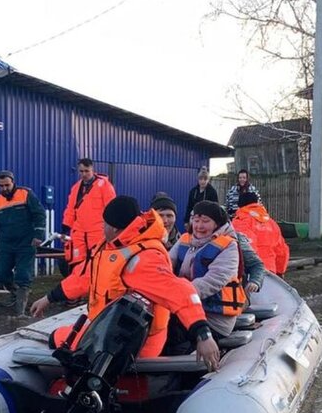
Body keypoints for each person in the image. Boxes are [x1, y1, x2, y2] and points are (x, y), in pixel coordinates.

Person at [30, 196, 221, 370]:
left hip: (134, 339)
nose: (102, 228)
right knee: (56, 337)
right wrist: (49, 298)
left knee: (60, 343)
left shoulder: (142, 258)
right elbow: (84, 277)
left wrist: (202, 334)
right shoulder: (110, 246)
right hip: (104, 329)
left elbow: (181, 291)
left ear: (114, 227)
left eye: (104, 223)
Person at [168, 200, 245, 345]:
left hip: (214, 319)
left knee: (171, 334)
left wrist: (177, 293)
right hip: (183, 306)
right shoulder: (185, 239)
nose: (199, 226)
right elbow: (166, 263)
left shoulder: (229, 246)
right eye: (196, 220)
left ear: (217, 224)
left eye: (205, 221)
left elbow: (214, 280)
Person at [0, 170, 45, 315]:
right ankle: (14, 294)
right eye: (1, 186)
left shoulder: (26, 194)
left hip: (26, 242)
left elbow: (39, 214)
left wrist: (38, 235)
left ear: (13, 182)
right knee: (1, 274)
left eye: (7, 185)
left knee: (23, 276)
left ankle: (20, 313)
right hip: (5, 243)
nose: (5, 188)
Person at [61, 157, 116, 271]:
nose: (84, 174)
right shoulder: (76, 188)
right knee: (77, 262)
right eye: (81, 171)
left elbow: (111, 208)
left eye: (87, 171)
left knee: (97, 261)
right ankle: (79, 286)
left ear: (92, 170)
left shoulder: (104, 185)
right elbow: (71, 209)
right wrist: (65, 228)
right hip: (79, 232)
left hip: (97, 231)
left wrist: (112, 229)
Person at [231, 192, 290, 276]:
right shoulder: (271, 223)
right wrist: (280, 271)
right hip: (271, 270)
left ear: (239, 205)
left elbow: (246, 248)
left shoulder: (240, 222)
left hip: (250, 273)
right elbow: (282, 250)